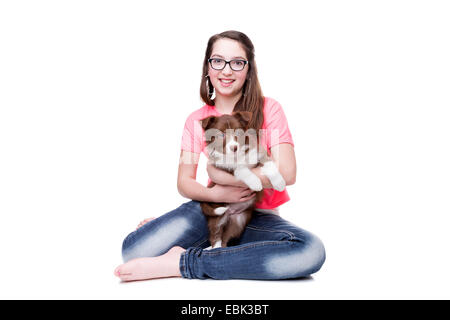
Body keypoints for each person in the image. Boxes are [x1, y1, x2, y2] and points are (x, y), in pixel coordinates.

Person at [114, 30, 326, 281]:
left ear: (249, 69)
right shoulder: (196, 121)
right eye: (218, 61)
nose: (226, 71)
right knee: (134, 250)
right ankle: (225, 253)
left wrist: (224, 177)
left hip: (259, 216)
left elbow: (287, 173)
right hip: (210, 207)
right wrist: (215, 192)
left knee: (310, 251)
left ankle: (183, 262)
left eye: (237, 62)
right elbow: (185, 181)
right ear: (208, 66)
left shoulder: (269, 109)